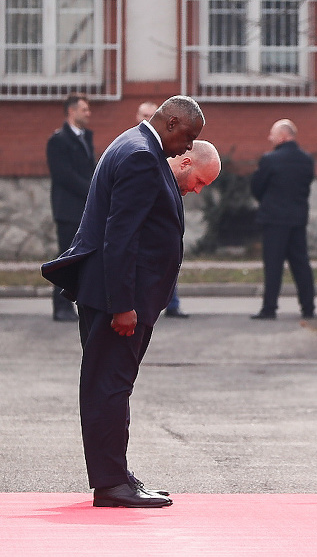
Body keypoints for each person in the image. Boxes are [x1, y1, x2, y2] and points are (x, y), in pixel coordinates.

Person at [41, 96, 216, 508]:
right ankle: (111, 484)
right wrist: (123, 304)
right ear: (171, 121)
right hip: (116, 299)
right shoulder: (141, 155)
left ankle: (117, 476)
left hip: (115, 295)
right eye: (188, 137)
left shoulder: (136, 144)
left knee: (113, 386)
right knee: (109, 387)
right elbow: (120, 236)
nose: (186, 148)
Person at [250, 119, 316, 320]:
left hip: (274, 220)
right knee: (301, 264)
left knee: (273, 265)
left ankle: (269, 308)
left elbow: (257, 187)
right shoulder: (307, 160)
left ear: (283, 136)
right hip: (297, 219)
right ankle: (308, 307)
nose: (270, 138)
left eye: (273, 134)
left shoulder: (270, 160)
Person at [137, 102, 189, 319]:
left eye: (151, 114)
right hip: (144, 217)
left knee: (168, 255)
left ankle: (172, 303)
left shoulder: (165, 146)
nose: (148, 118)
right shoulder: (139, 150)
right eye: (144, 115)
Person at [47, 93, 95, 322]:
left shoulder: (86, 137)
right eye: (84, 109)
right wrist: (92, 190)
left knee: (79, 258)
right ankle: (60, 307)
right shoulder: (59, 140)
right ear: (72, 111)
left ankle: (72, 304)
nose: (88, 113)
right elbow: (64, 176)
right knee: (65, 257)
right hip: (67, 210)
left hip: (84, 209)